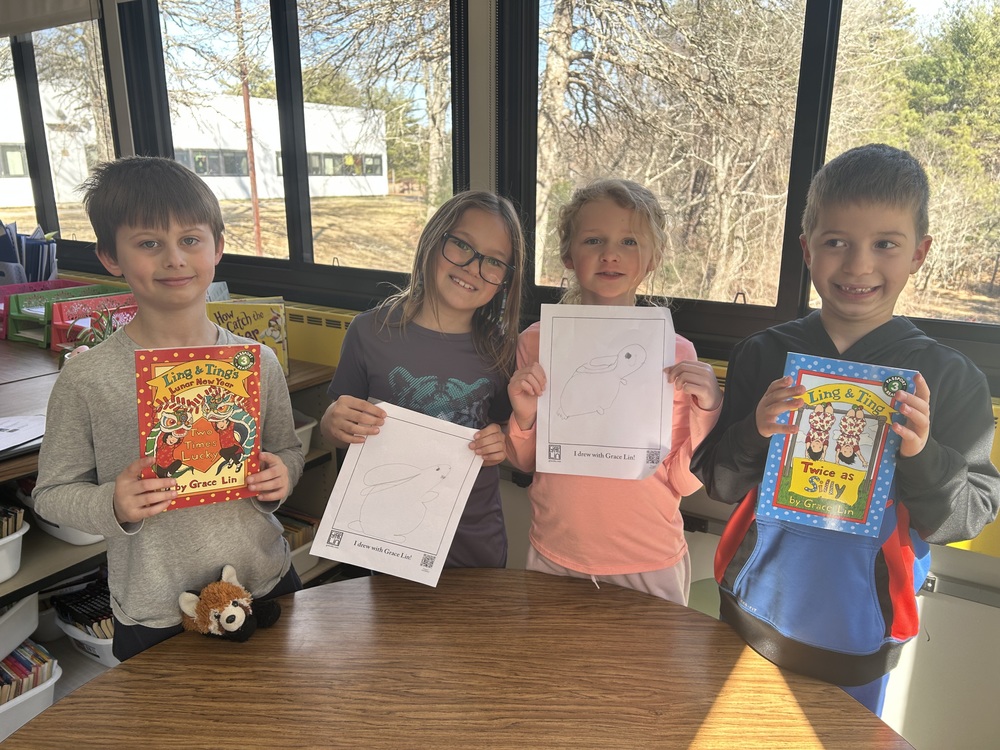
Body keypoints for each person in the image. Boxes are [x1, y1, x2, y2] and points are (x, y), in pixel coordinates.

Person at [691, 143, 1000, 715]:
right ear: (807, 249)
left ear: (920, 253)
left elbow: (968, 515)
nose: (858, 265)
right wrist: (754, 432)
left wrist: (922, 454)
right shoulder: (763, 354)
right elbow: (718, 479)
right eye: (837, 242)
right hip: (750, 609)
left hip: (864, 629)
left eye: (885, 243)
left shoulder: (949, 378)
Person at [32, 156, 304, 661]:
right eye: (149, 243)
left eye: (191, 240)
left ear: (218, 247)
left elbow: (285, 449)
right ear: (111, 257)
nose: (174, 259)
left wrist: (282, 474)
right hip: (156, 605)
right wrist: (112, 505)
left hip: (263, 580)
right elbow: (51, 493)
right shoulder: (88, 376)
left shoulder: (257, 361)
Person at [504, 178, 723, 605]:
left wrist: (708, 408)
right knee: (553, 669)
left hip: (648, 557)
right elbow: (527, 461)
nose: (610, 254)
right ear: (569, 254)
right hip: (556, 550)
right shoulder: (536, 341)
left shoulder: (676, 352)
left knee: (644, 673)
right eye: (593, 240)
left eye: (629, 241)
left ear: (653, 258)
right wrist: (524, 416)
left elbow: (683, 478)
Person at [319, 191, 525, 568]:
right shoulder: (369, 332)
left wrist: (503, 442)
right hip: (380, 538)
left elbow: (505, 430)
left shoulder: (502, 348)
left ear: (505, 280)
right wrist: (333, 422)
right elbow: (335, 426)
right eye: (462, 244)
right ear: (433, 240)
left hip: (471, 538)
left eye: (494, 261)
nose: (473, 266)